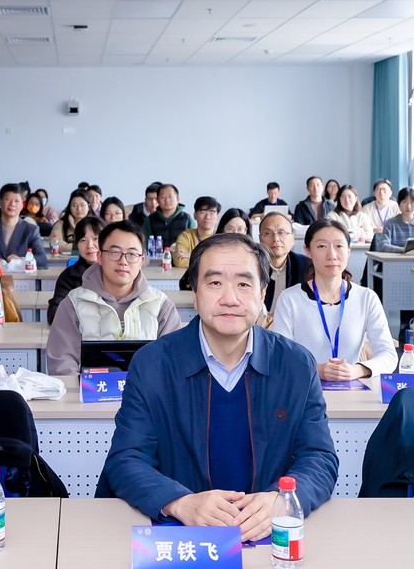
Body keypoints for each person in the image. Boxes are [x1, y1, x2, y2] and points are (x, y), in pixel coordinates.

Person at [96, 233, 337, 537]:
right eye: (214, 283)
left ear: (262, 294)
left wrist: (282, 500)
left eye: (244, 284)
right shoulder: (152, 365)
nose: (230, 298)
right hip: (180, 537)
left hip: (264, 534)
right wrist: (179, 502)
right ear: (195, 294)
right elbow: (127, 458)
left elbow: (319, 457)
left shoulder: (296, 366)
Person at [46, 222, 181, 377]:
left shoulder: (161, 305)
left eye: (132, 254)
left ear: (142, 260)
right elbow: (62, 362)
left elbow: (174, 361)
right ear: (100, 256)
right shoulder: (73, 303)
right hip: (89, 391)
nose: (123, 261)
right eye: (115, 252)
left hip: (148, 392)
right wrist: (83, 388)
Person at [273, 220, 397, 380]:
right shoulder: (290, 299)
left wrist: (358, 370)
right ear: (307, 251)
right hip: (304, 386)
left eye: (339, 246)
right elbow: (280, 356)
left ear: (349, 251)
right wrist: (316, 370)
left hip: (352, 387)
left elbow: (388, 355)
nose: (331, 255)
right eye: (321, 246)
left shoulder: (366, 298)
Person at [47, 216, 104, 322]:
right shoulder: (69, 276)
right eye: (83, 240)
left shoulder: (116, 272)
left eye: (95, 239)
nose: (90, 245)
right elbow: (55, 312)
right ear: (76, 244)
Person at [0, 184, 48, 266]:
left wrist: (21, 260)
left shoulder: (31, 230)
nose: (12, 204)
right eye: (8, 199)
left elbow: (42, 260)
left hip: (20, 274)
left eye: (17, 201)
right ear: (0, 202)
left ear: (22, 205)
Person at [258, 211, 310, 313]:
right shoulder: (252, 266)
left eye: (281, 232)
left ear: (293, 238)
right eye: (268, 233)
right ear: (260, 239)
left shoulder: (306, 266)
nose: (276, 239)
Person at [371, 187, 414, 254]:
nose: (408, 206)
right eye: (404, 202)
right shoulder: (391, 224)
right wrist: (403, 250)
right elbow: (383, 246)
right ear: (399, 204)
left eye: (412, 202)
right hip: (394, 260)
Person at [171, 196, 220, 268]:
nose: (207, 217)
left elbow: (225, 262)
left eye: (212, 212)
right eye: (203, 211)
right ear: (195, 215)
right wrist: (212, 260)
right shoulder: (186, 236)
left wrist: (191, 255)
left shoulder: (222, 237)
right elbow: (180, 262)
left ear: (217, 218)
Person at [146, 183, 195, 253]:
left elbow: (194, 242)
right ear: (158, 200)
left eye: (170, 197)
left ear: (178, 199)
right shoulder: (150, 220)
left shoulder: (187, 219)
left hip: (181, 258)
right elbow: (144, 242)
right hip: (157, 258)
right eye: (163, 197)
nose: (167, 200)